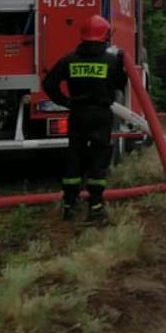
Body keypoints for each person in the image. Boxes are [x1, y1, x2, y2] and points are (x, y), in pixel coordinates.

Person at [40, 15, 129, 223]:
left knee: (74, 155)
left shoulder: (69, 60)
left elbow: (49, 84)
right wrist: (121, 65)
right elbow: (120, 84)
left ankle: (69, 204)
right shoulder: (111, 61)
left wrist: (65, 101)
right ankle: (95, 206)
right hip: (100, 114)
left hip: (77, 113)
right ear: (105, 36)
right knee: (100, 156)